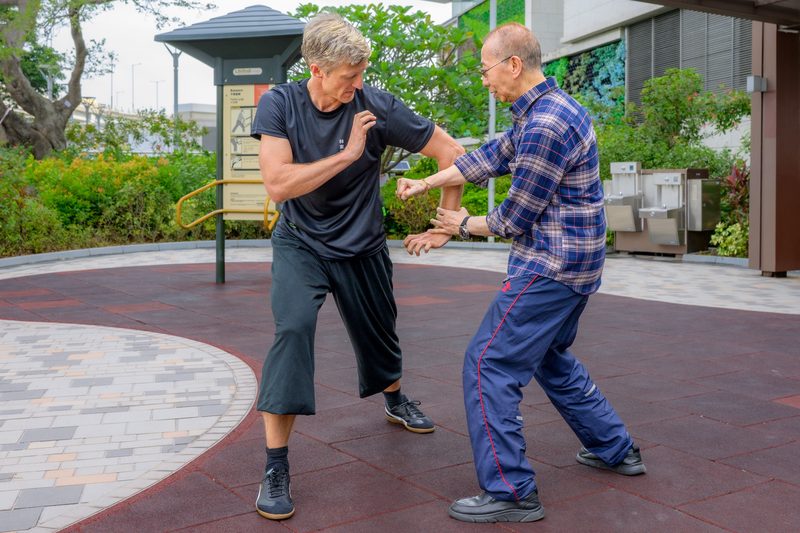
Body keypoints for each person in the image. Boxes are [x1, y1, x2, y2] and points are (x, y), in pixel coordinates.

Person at [397, 22, 646, 524]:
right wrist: (428, 183)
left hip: (549, 267)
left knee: (488, 363)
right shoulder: (546, 111)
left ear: (513, 64)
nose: (485, 79)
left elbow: (514, 218)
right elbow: (490, 157)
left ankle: (511, 491)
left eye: (486, 69)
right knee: (549, 356)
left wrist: (460, 224)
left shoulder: (546, 126)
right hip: (574, 264)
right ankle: (616, 448)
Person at [250, 12, 465, 521]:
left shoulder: (376, 105)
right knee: (292, 330)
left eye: (362, 72)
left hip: (363, 245)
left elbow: (451, 151)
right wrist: (349, 153)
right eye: (349, 75)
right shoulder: (280, 104)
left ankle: (393, 397)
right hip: (301, 242)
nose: (358, 83)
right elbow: (278, 185)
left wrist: (444, 224)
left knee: (379, 333)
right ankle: (276, 465)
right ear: (317, 68)